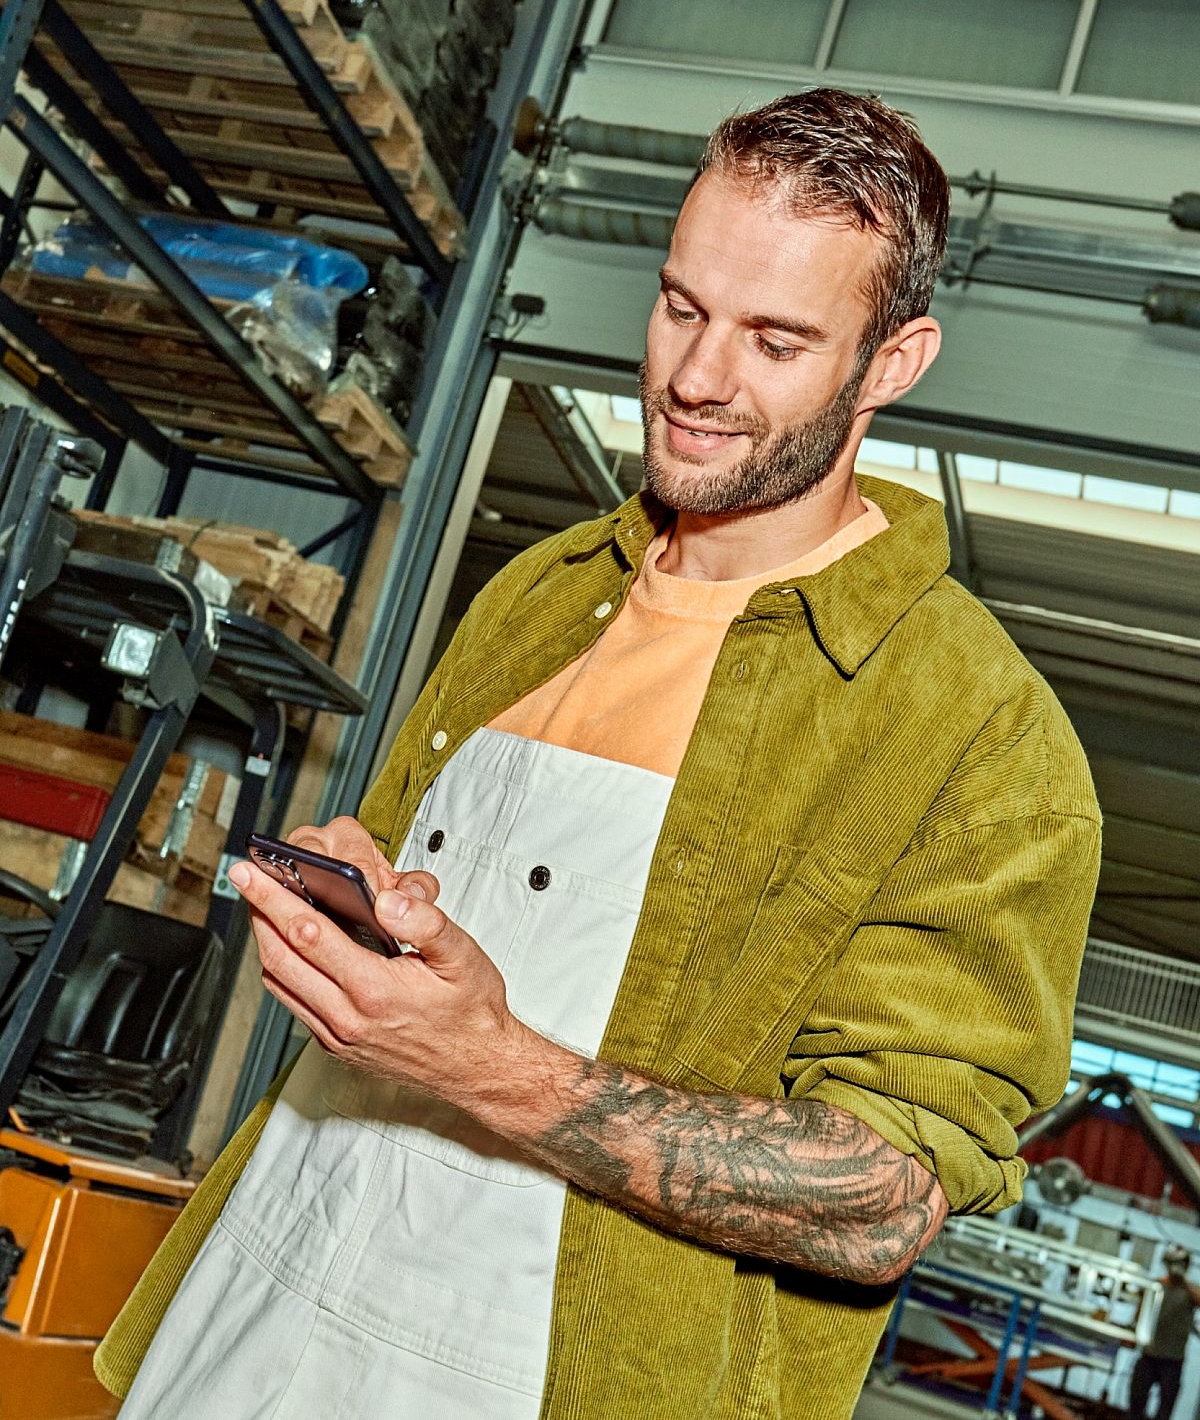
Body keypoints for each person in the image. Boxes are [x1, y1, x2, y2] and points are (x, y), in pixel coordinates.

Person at [99, 89, 1101, 1420]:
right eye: (683, 307)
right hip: (263, 1288)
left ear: (893, 360)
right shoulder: (544, 588)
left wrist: (497, 1064)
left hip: (524, 1375)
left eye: (776, 339)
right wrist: (357, 901)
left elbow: (887, 1198)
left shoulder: (978, 736)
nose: (697, 377)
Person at [1128, 1245, 1200, 1420]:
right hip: (1150, 1355)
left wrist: (1183, 1281)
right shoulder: (1157, 1286)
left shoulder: (1189, 1292)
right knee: (1136, 1402)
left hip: (1172, 1360)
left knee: (1165, 1410)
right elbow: (1141, 1310)